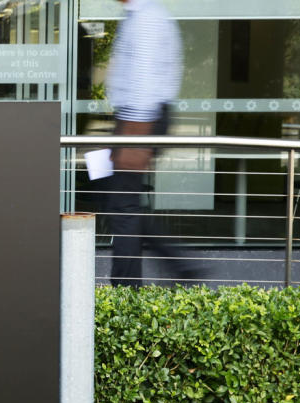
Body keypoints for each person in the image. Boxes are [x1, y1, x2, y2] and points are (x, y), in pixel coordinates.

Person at [103, 0, 192, 287]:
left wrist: (134, 134)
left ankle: (126, 293)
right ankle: (181, 268)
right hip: (133, 118)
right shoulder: (139, 15)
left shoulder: (147, 19)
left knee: (123, 206)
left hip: (139, 119)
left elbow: (143, 80)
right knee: (122, 202)